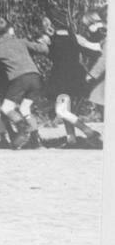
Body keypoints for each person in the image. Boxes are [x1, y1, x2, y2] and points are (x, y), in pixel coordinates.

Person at [0, 17, 47, 150]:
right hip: (36, 77)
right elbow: (43, 50)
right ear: (10, 30)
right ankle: (36, 141)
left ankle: (22, 128)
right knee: (25, 109)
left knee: (6, 108)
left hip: (20, 79)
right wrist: (42, 42)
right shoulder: (21, 42)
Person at [44, 11, 103, 148]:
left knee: (62, 111)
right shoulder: (75, 37)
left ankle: (89, 132)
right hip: (76, 76)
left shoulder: (50, 39)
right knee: (66, 110)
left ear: (52, 25)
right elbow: (94, 50)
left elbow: (47, 53)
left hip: (60, 78)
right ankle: (72, 140)